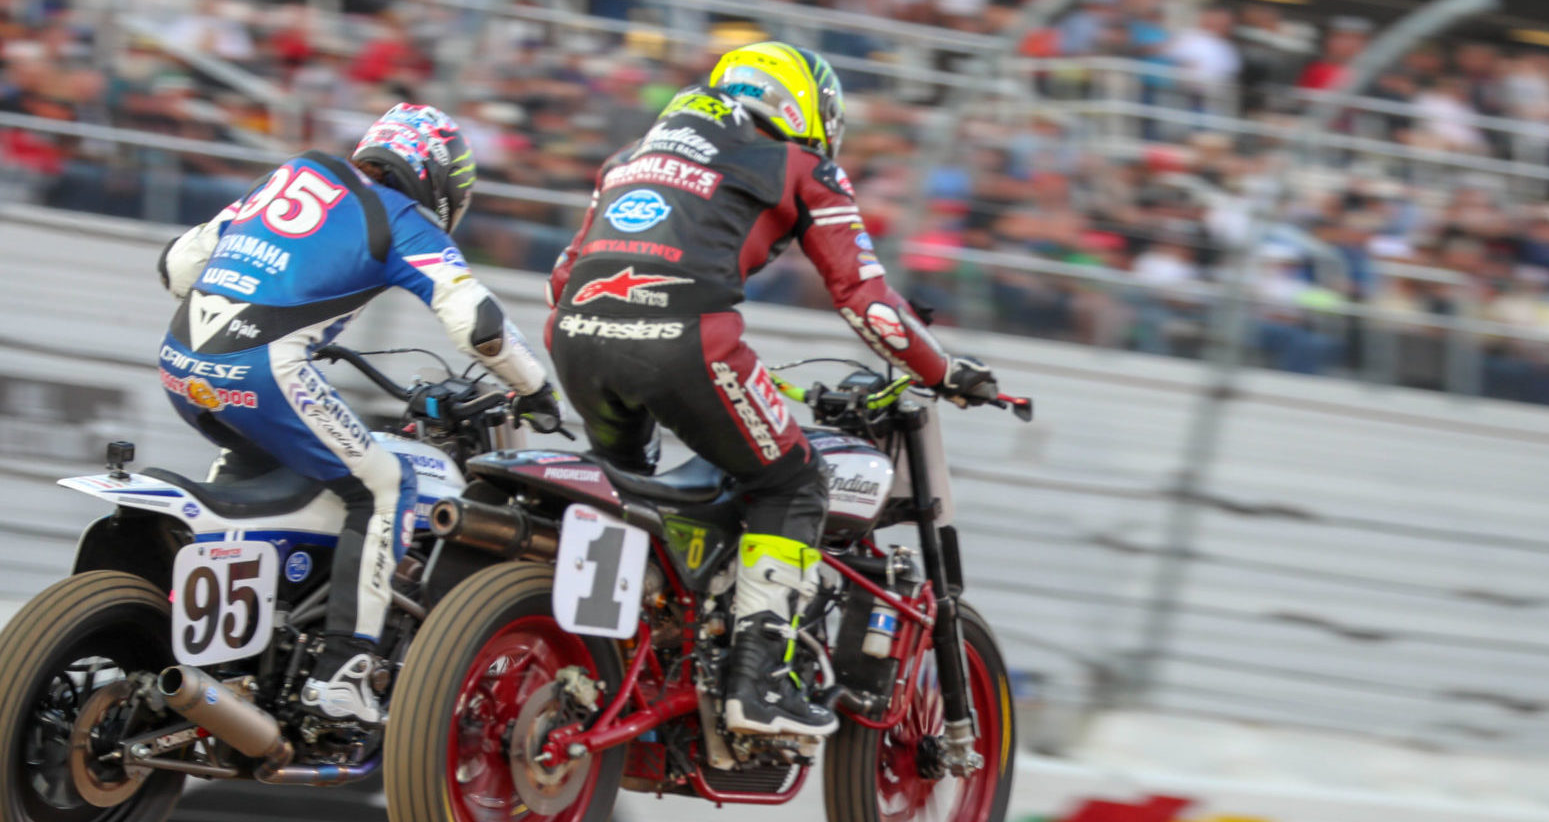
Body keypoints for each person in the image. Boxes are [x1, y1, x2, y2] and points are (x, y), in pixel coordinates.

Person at [544, 42, 999, 737]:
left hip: (574, 337)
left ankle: (615, 652)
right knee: (793, 482)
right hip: (690, 339)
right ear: (801, 104)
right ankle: (758, 682)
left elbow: (562, 273)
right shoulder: (799, 163)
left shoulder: (632, 156)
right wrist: (947, 372)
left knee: (624, 488)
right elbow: (869, 302)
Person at [157, 103, 560, 725]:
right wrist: (535, 388)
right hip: (267, 374)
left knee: (254, 477)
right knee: (383, 485)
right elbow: (479, 326)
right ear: (439, 179)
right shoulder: (403, 219)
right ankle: (342, 673)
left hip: (181, 366)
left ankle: (230, 644)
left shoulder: (292, 175)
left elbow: (176, 266)